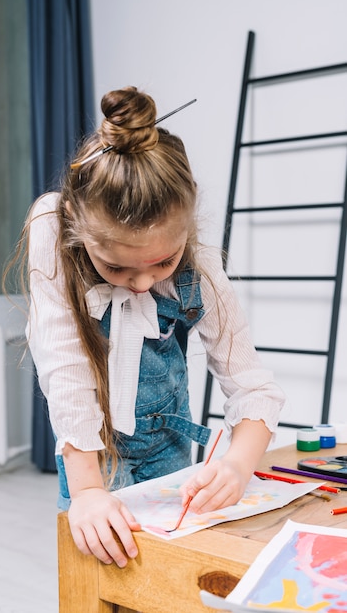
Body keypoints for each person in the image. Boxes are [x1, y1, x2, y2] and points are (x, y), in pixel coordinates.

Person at [22, 86, 285, 568]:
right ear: (82, 232)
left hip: (169, 460)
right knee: (98, 581)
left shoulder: (200, 265)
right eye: (117, 268)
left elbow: (253, 387)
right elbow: (66, 372)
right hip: (90, 463)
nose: (141, 284)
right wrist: (87, 492)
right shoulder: (52, 229)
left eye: (162, 262)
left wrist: (235, 464)